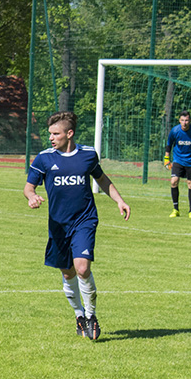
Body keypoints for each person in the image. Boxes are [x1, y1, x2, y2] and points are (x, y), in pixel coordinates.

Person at [24, 111, 130, 341]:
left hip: (85, 220)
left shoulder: (88, 155)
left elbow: (102, 179)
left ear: (69, 133)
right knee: (67, 272)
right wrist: (32, 196)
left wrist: (119, 200)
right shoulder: (44, 158)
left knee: (82, 268)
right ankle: (79, 315)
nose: (51, 138)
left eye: (56, 134)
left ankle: (91, 316)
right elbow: (28, 187)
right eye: (50, 134)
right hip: (58, 225)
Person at [164, 110, 191, 218]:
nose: (184, 123)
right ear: (179, 120)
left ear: (190, 121)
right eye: (182, 120)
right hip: (178, 160)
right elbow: (169, 145)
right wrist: (166, 159)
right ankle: (175, 209)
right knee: (174, 181)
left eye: (187, 120)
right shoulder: (175, 131)